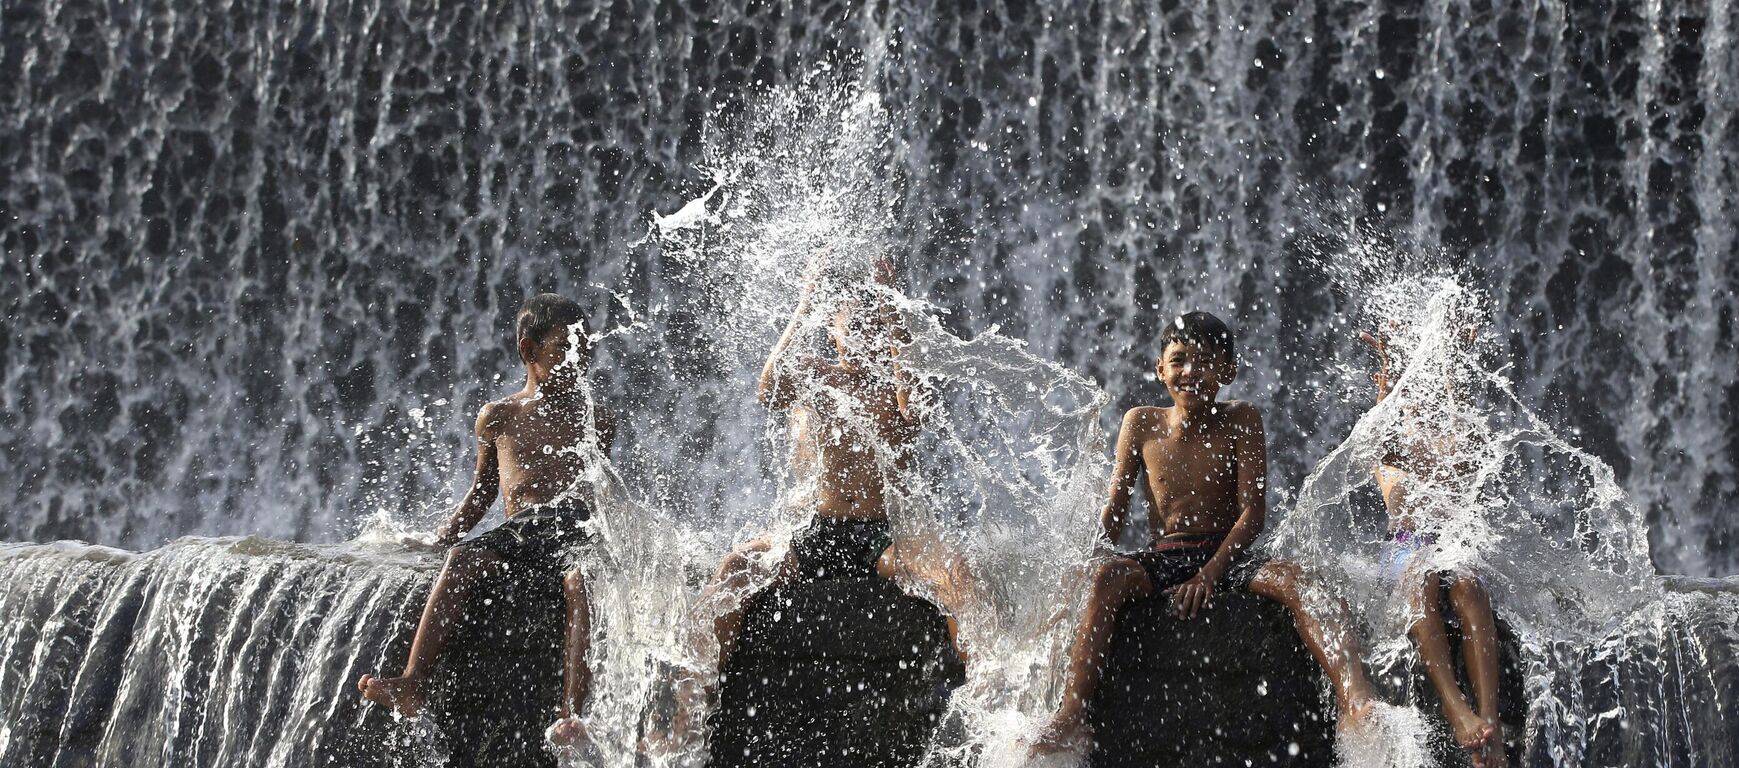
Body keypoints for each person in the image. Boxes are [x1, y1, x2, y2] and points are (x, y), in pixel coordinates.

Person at [644, 258, 987, 755]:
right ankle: (687, 707)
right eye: (854, 324)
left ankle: (987, 697)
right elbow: (769, 388)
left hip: (877, 535)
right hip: (815, 531)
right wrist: (806, 300)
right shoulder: (815, 377)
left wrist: (893, 310)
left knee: (954, 573)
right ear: (834, 329)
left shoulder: (892, 391)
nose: (863, 334)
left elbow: (918, 416)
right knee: (737, 568)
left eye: (873, 325)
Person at [1030, 311, 1378, 755]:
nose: (1190, 372)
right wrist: (1088, 560)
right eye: (1178, 361)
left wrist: (1211, 574)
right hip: (1166, 553)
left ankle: (1356, 700)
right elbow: (1114, 513)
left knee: (1301, 583)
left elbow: (1251, 516)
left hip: (1226, 553)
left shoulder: (1241, 420)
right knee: (1104, 580)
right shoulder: (1140, 422)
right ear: (1160, 369)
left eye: (1204, 361)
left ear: (1227, 371)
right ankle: (1072, 714)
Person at [358, 293, 610, 747]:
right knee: (461, 559)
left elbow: (601, 493)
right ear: (529, 351)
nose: (578, 362)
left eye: (584, 351)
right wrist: (436, 542)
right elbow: (480, 495)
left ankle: (572, 715)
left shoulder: (598, 420)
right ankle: (413, 683)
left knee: (580, 580)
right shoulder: (500, 416)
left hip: (572, 528)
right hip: (523, 532)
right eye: (565, 350)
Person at [1362, 325, 1507, 768]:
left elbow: (1461, 444)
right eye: (1406, 391)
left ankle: (1492, 724)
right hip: (1408, 550)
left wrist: (1452, 362)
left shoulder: (1453, 441)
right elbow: (1385, 422)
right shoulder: (1386, 453)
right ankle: (1454, 706)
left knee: (1468, 586)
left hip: (1455, 545)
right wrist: (1388, 375)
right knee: (1422, 577)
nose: (1417, 401)